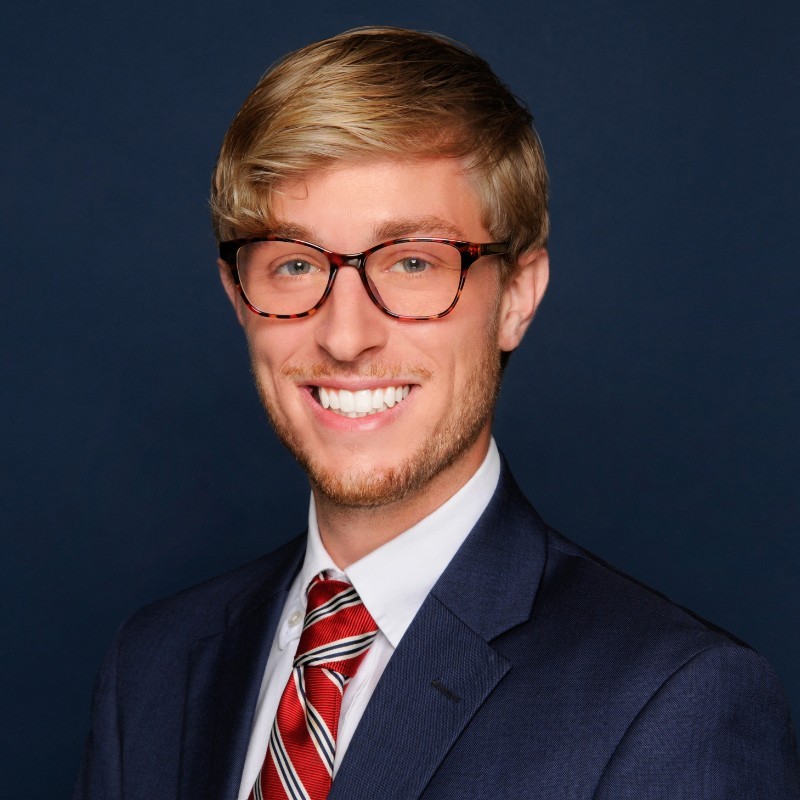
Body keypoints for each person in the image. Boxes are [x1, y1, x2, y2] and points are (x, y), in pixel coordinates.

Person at [73, 26, 800, 799]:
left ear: (516, 297)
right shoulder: (153, 666)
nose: (345, 336)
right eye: (295, 264)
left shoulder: (676, 703)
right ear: (238, 297)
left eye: (413, 262)